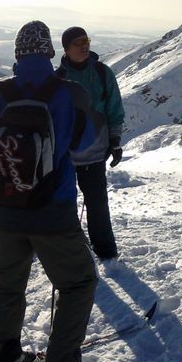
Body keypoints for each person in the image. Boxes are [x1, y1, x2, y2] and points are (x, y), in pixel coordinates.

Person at [0, 20, 103, 362]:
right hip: (50, 208)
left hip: (3, 208)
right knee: (78, 282)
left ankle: (6, 355)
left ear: (17, 53)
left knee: (7, 281)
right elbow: (85, 142)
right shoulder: (67, 93)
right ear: (49, 52)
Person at [55, 26, 125, 260]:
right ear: (66, 48)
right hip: (64, 154)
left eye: (86, 40)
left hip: (95, 150)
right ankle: (71, 250)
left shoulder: (103, 73)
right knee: (65, 204)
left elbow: (114, 108)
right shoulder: (57, 79)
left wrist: (115, 140)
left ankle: (106, 252)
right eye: (77, 43)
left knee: (97, 204)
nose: (84, 46)